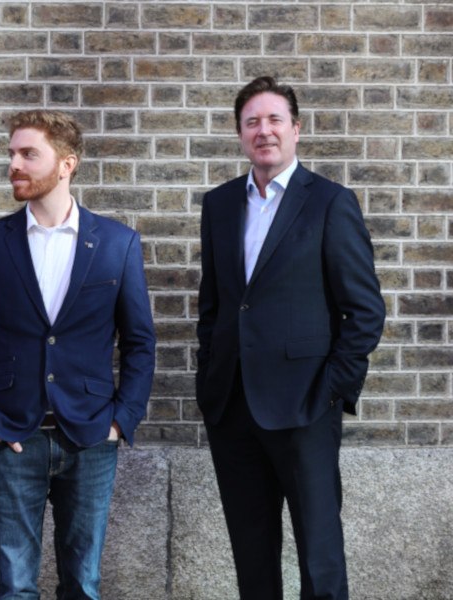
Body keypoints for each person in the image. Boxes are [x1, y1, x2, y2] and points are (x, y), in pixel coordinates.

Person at [0, 109, 156, 599]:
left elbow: (140, 341)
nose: (14, 165)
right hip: (11, 436)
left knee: (83, 585)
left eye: (28, 154)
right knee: (15, 586)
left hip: (90, 439)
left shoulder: (117, 244)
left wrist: (121, 420)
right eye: (11, 154)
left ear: (66, 164)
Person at [196, 75, 386, 600]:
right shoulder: (218, 206)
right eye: (252, 122)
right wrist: (208, 381)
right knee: (252, 559)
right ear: (240, 134)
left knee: (320, 559)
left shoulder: (329, 202)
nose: (264, 131)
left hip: (305, 407)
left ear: (296, 130)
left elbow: (365, 311)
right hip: (233, 408)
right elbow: (212, 307)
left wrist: (331, 391)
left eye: (274, 119)